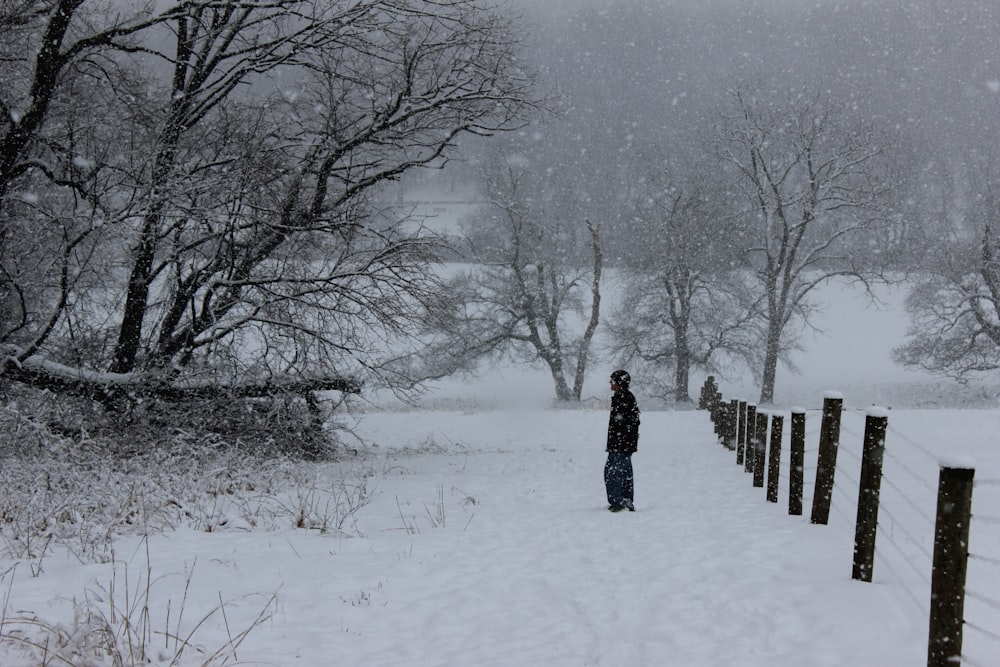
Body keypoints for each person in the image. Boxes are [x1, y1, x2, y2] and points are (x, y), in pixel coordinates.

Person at [606, 369, 640, 512]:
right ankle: (626, 499)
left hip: (620, 444)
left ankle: (618, 501)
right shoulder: (625, 397)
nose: (610, 383)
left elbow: (626, 422)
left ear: (619, 382)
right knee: (624, 472)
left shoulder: (623, 398)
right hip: (624, 443)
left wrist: (620, 441)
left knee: (612, 472)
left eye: (612, 380)